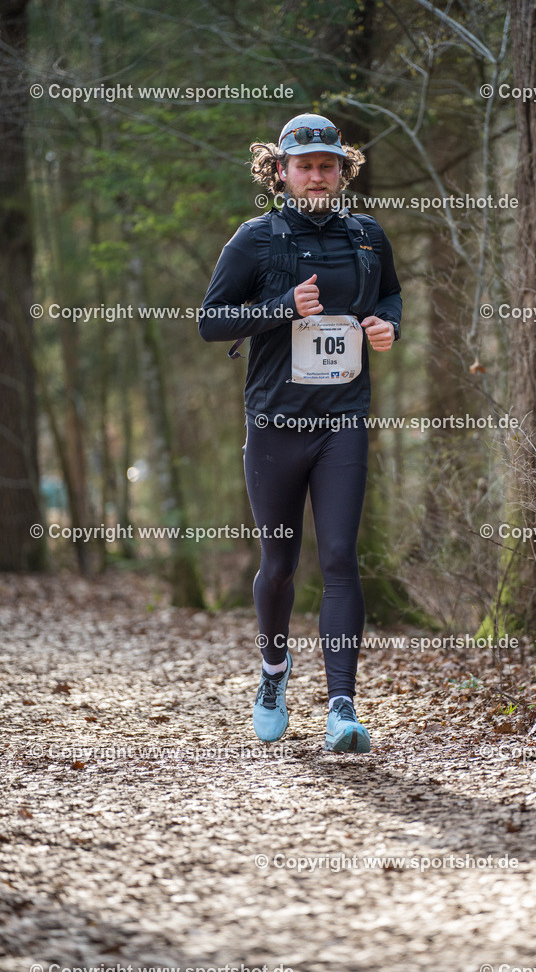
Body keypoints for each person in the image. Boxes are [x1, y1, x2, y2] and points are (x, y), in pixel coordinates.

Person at [198, 113, 402, 753]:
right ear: (281, 172)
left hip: (341, 421)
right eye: (305, 165)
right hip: (275, 425)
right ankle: (273, 674)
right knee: (280, 565)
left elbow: (390, 297)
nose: (317, 175)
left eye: (328, 164)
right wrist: (281, 309)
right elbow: (211, 322)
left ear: (343, 170)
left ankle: (342, 707)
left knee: (340, 558)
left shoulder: (367, 238)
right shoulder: (256, 240)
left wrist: (388, 327)